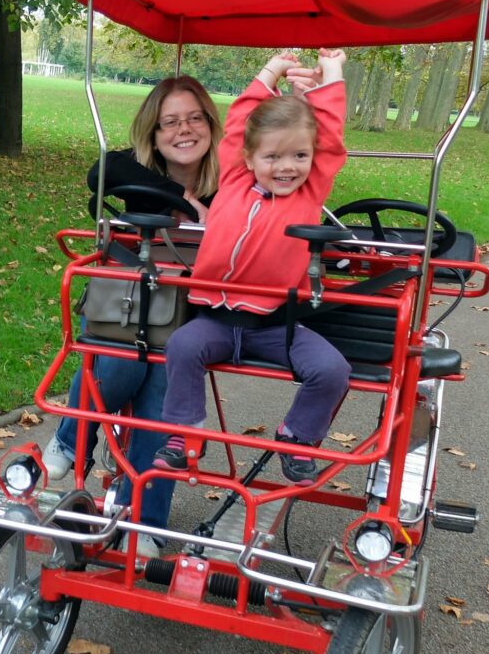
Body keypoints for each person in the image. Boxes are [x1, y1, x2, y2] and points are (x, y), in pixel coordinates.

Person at [154, 50, 352, 486]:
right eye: (273, 158)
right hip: (216, 321)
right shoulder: (236, 178)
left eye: (299, 156)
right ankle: (183, 434)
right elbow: (243, 118)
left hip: (275, 326)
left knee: (333, 370)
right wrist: (271, 70)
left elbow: (331, 137)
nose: (287, 167)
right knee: (183, 347)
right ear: (247, 157)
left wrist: (332, 75)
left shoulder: (309, 191)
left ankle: (297, 436)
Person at [42, 75, 222, 555]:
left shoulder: (230, 184)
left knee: (162, 393)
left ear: (210, 123)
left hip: (189, 317)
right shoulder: (135, 172)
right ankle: (70, 437)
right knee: (125, 362)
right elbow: (100, 171)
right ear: (154, 132)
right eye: (170, 122)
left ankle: (143, 522)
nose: (183, 131)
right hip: (123, 309)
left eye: (193, 118)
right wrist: (180, 202)